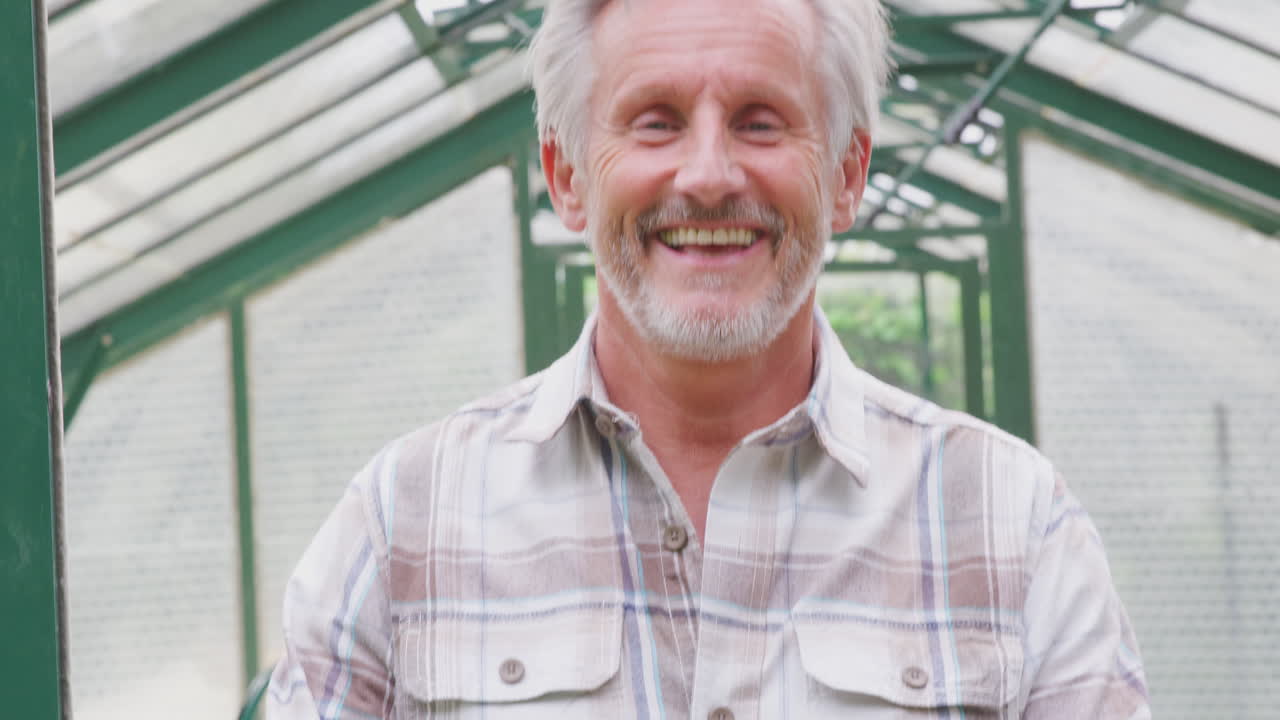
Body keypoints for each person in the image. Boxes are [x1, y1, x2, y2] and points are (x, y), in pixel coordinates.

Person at [265, 0, 1149, 717]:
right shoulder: (405, 527)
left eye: (761, 123)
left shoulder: (1010, 528)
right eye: (656, 124)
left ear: (846, 176)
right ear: (567, 177)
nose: (709, 174)